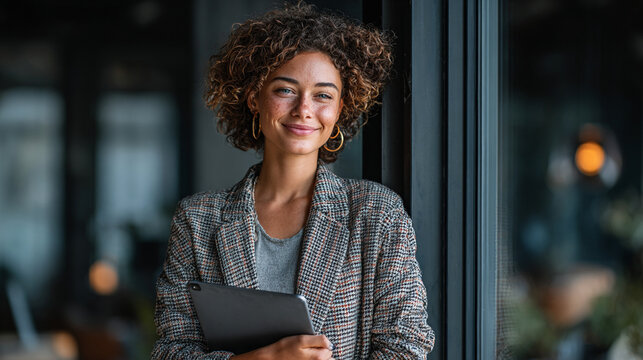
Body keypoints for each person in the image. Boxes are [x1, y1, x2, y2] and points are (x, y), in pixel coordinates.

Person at [152, 3, 434, 359]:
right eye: (285, 90)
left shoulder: (377, 213)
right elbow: (170, 352)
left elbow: (407, 346)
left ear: (340, 108)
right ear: (254, 97)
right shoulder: (197, 220)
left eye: (323, 95)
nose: (304, 109)